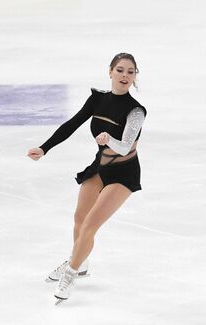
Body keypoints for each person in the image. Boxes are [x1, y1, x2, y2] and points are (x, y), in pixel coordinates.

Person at [27, 53, 147, 303]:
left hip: (123, 173)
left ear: (135, 76)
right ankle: (79, 262)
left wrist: (108, 139)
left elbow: (125, 146)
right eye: (121, 70)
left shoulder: (135, 111)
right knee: (80, 219)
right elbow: (71, 124)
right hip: (100, 167)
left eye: (131, 72)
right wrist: (44, 148)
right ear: (110, 72)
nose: (125, 75)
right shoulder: (97, 99)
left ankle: (71, 272)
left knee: (91, 225)